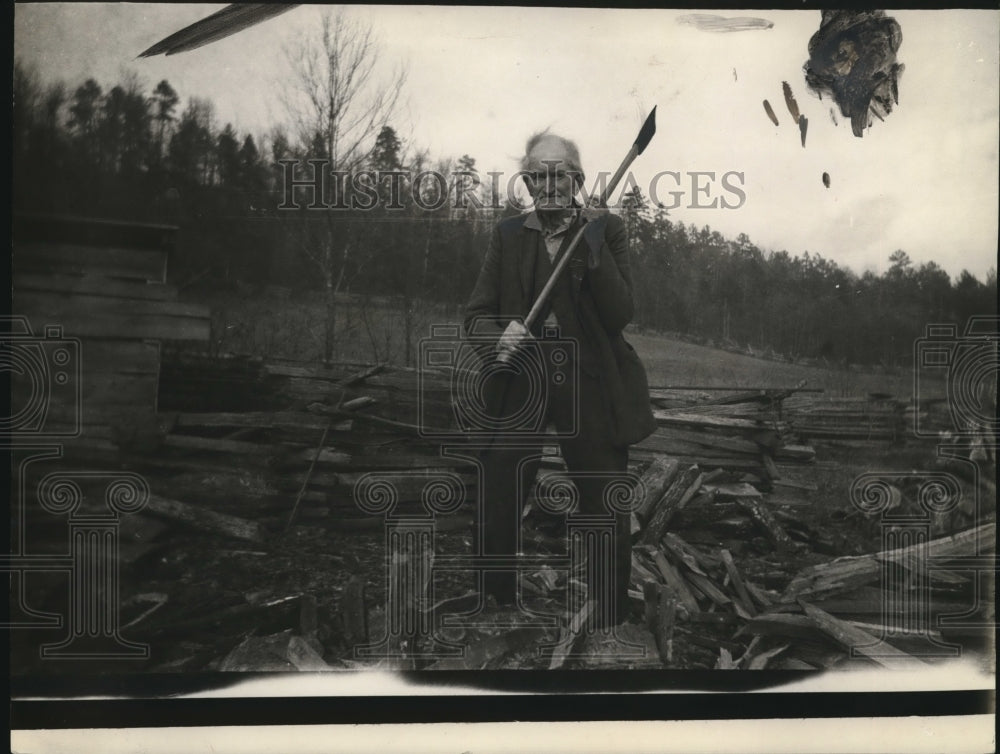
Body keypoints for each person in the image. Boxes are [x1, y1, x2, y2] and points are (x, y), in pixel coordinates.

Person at [463, 131, 656, 626]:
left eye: (560, 174)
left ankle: (608, 612)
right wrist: (496, 337)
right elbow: (475, 316)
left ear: (578, 180)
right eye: (538, 175)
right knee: (499, 480)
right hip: (520, 379)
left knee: (604, 494)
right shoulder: (508, 235)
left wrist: (591, 246)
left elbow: (620, 314)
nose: (549, 185)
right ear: (526, 183)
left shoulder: (606, 229)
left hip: (589, 379)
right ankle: (496, 603)